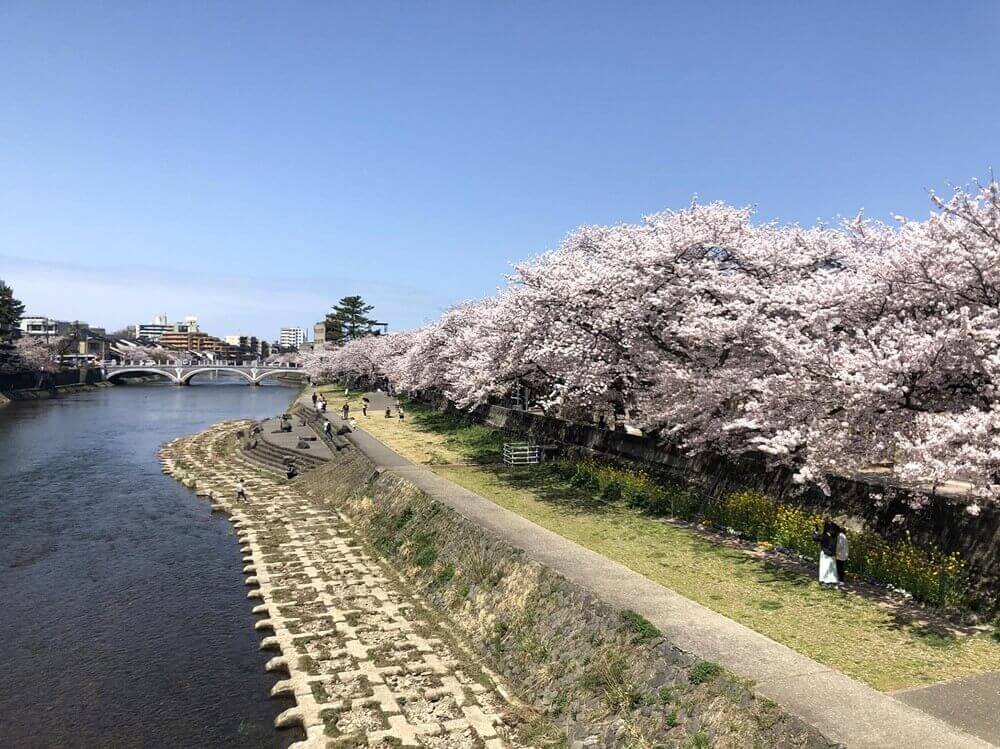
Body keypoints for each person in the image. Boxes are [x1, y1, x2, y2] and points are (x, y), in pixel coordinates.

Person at [812, 521, 838, 585]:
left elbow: (815, 538)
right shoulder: (834, 536)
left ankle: (825, 580)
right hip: (832, 554)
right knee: (832, 568)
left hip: (825, 554)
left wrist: (815, 531)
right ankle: (833, 580)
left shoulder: (825, 535)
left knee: (825, 567)